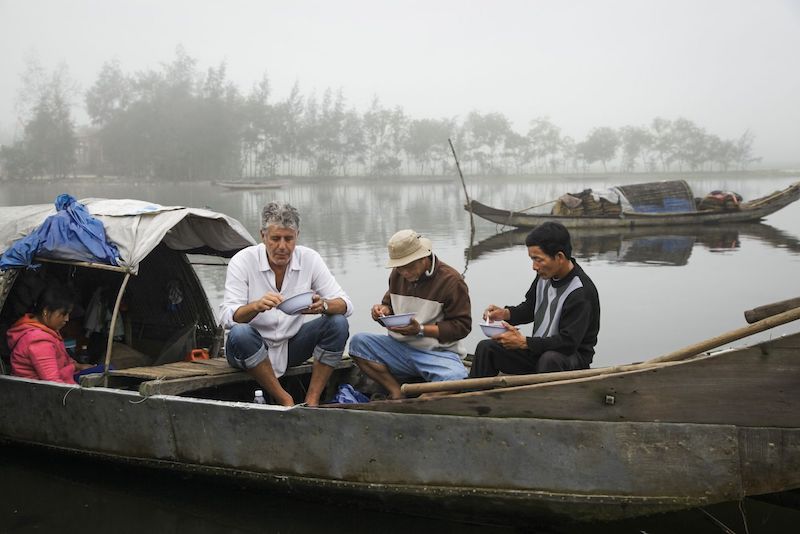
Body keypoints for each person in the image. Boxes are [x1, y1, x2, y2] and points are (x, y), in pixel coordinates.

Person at [219, 202, 352, 407]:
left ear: (297, 235)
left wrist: (323, 306)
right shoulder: (242, 261)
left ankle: (312, 399)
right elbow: (228, 317)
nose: (282, 246)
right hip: (248, 349)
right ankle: (284, 398)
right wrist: (256, 306)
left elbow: (345, 304)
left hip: (290, 346)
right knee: (241, 333)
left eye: (289, 239)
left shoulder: (310, 259)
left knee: (337, 323)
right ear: (263, 236)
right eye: (275, 239)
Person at [349, 229, 471, 399]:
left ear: (423, 258)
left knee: (456, 378)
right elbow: (388, 305)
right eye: (400, 268)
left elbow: (462, 328)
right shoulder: (397, 275)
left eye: (409, 267)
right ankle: (396, 391)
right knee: (358, 343)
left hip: (437, 353)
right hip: (399, 347)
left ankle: (421, 402)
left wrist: (420, 329)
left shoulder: (451, 281)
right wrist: (382, 312)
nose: (405, 273)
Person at [469, 222, 600, 378]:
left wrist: (525, 342)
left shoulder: (581, 291)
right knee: (487, 348)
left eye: (538, 260)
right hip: (540, 349)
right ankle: (473, 396)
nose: (534, 267)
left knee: (550, 359)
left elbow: (568, 342)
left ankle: (540, 401)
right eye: (532, 260)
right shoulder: (544, 276)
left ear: (559, 257)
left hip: (569, 359)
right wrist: (505, 314)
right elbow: (531, 308)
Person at [7, 284, 92, 384]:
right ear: (46, 311)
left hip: (67, 376)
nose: (67, 319)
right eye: (63, 314)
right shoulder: (37, 340)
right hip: (40, 393)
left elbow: (63, 361)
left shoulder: (46, 330)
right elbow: (54, 384)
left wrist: (78, 366)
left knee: (105, 370)